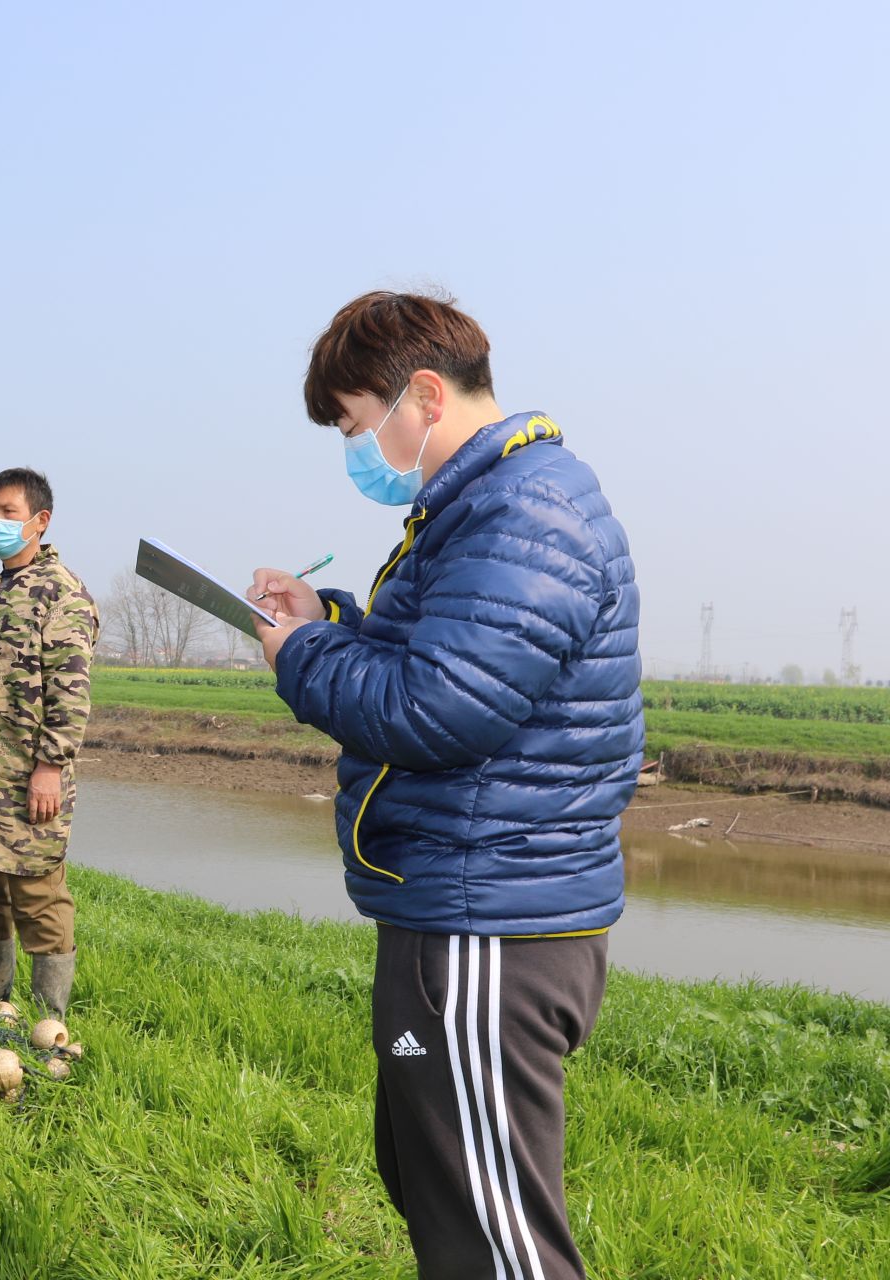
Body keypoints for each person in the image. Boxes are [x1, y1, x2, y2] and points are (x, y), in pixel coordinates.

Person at [253, 291, 641, 1280]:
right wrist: (328, 616)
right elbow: (445, 655)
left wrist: (300, 654)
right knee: (441, 1187)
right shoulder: (486, 506)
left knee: (494, 1237)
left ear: (421, 394)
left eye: (354, 424)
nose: (356, 449)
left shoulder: (522, 510)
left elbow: (436, 707)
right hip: (471, 907)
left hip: (487, 923)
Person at [0, 467, 98, 1015]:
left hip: (27, 779)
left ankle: (49, 1022)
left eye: (7, 513)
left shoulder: (63, 594)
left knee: (38, 897)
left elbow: (71, 690)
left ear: (40, 520)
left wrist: (50, 767)